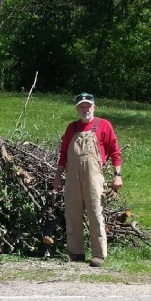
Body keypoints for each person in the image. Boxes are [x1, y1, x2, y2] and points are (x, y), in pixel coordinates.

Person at [52, 93, 123, 268]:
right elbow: (63, 155)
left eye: (88, 106)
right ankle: (76, 252)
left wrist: (117, 175)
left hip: (94, 176)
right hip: (72, 176)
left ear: (94, 107)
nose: (85, 110)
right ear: (77, 109)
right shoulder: (72, 128)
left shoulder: (103, 125)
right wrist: (58, 177)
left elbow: (115, 151)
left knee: (95, 213)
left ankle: (98, 254)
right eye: (82, 107)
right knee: (72, 213)